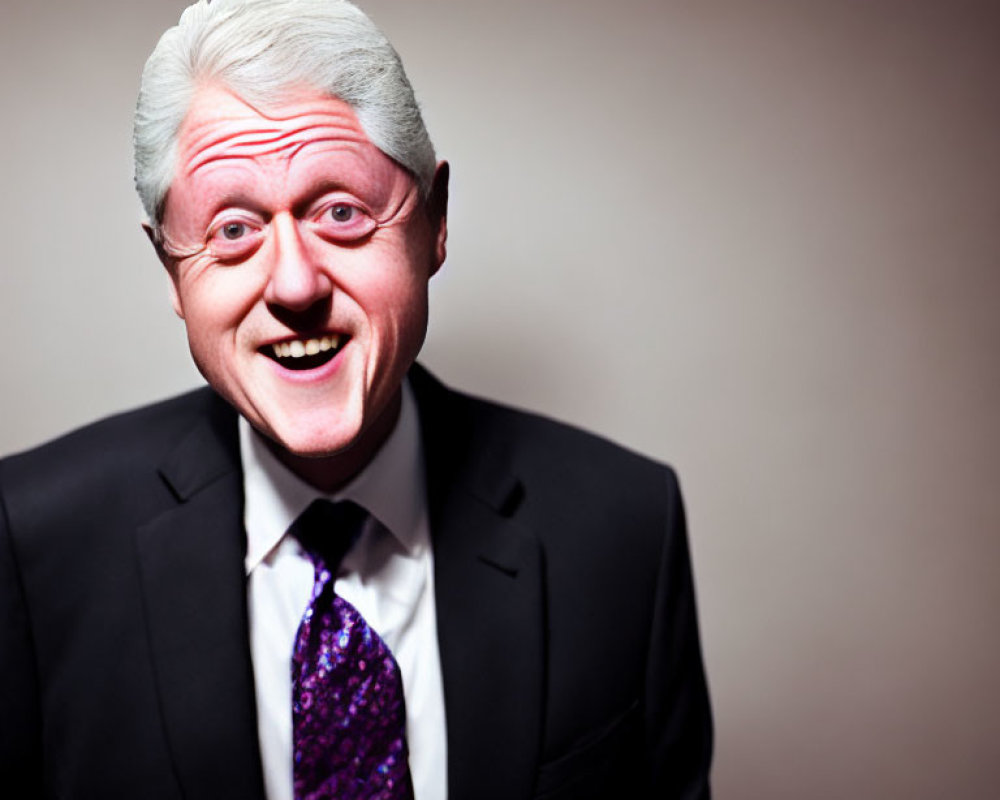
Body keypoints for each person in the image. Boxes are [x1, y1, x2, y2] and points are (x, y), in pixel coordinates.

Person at [0, 0, 712, 798]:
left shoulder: (626, 528)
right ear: (172, 271)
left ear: (434, 223)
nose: (295, 284)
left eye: (341, 212)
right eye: (232, 230)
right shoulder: (30, 540)